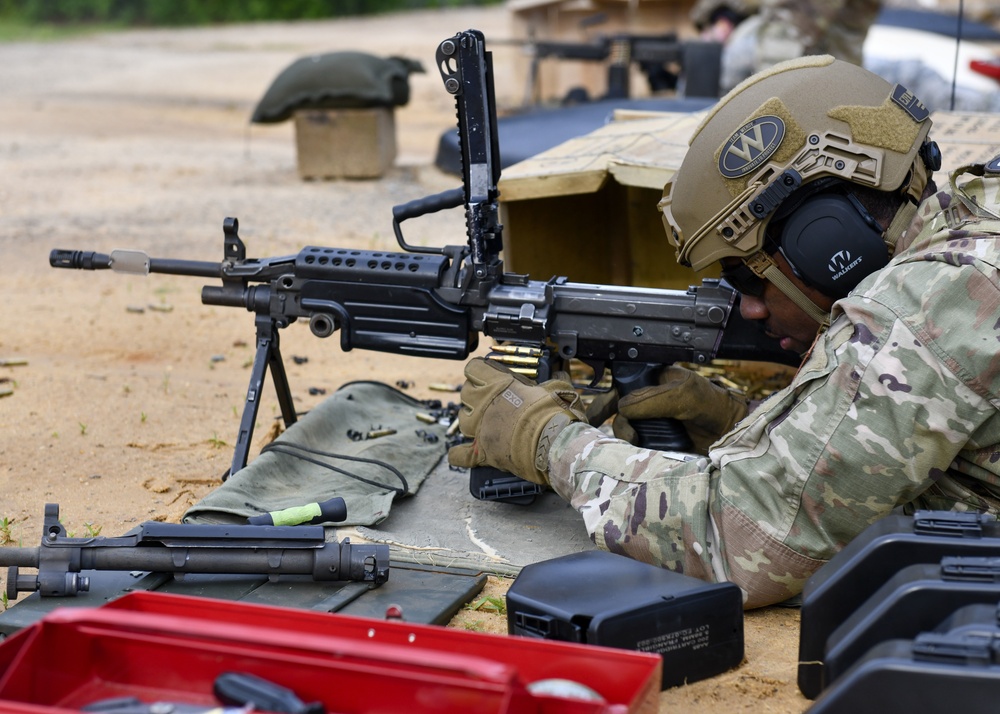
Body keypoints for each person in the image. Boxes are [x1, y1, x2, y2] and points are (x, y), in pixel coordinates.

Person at [448, 55, 1000, 609]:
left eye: (746, 276)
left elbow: (743, 540)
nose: (751, 310)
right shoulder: (972, 224)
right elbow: (907, 471)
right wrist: (740, 423)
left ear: (826, 244)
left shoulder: (927, 306)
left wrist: (545, 439)